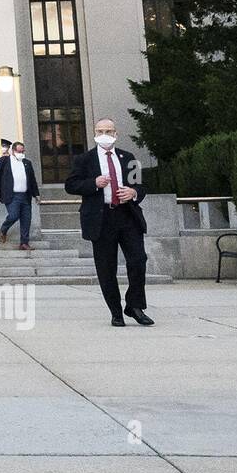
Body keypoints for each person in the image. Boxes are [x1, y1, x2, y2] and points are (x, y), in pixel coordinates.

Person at [65, 118, 153, 328]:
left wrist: (133, 192)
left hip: (127, 216)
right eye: (100, 131)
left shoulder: (128, 157)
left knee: (138, 260)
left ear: (115, 134)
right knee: (106, 268)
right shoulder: (84, 160)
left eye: (108, 131)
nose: (104, 134)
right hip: (101, 218)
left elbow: (139, 186)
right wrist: (93, 184)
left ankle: (134, 305)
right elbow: (71, 184)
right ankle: (116, 312)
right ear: (94, 133)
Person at [0, 142, 39, 251]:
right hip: (12, 195)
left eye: (23, 151)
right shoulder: (4, 161)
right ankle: (3, 230)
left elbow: (32, 180)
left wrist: (36, 194)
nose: (21, 153)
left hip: (25, 195)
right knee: (13, 215)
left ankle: (24, 242)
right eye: (19, 151)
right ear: (13, 151)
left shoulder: (27, 163)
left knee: (26, 219)